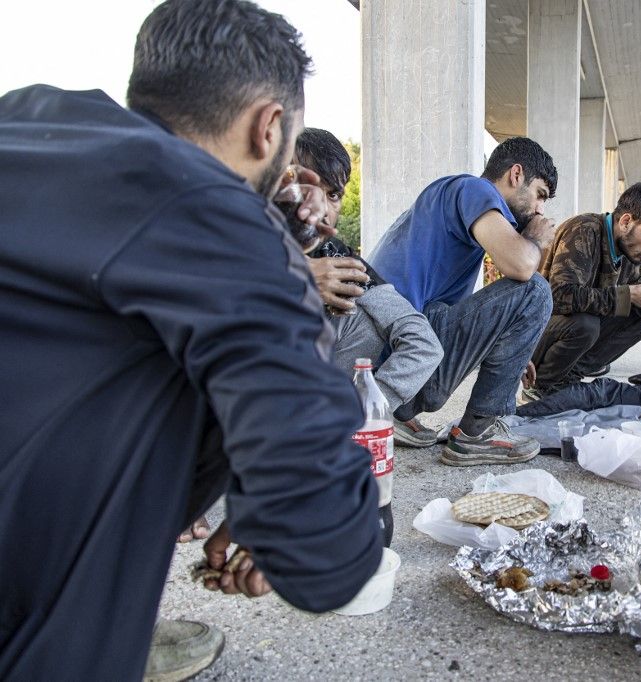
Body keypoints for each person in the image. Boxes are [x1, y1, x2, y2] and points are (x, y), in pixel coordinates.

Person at [0, 1, 384, 679]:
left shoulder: (28, 116)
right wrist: (281, 259)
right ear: (270, 128)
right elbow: (326, 557)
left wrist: (255, 484)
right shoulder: (221, 219)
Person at [368, 137, 557, 466]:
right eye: (540, 194)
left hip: (385, 372)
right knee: (536, 291)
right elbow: (522, 266)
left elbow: (460, 315)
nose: (541, 209)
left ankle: (395, 415)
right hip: (399, 360)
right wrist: (537, 239)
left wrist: (509, 348)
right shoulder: (473, 189)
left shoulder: (443, 206)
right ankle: (477, 433)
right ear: (516, 174)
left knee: (454, 310)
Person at [296, 128, 444, 447]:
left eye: (333, 194)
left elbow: (423, 342)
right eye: (303, 187)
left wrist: (372, 410)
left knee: (363, 315)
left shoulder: (341, 260)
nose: (318, 208)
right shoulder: (232, 238)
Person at [525, 182, 641, 398]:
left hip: (565, 331)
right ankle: (541, 386)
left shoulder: (630, 252)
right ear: (626, 221)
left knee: (639, 323)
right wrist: (630, 295)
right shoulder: (584, 230)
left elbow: (633, 300)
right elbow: (559, 296)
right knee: (585, 324)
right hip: (534, 332)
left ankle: (568, 378)